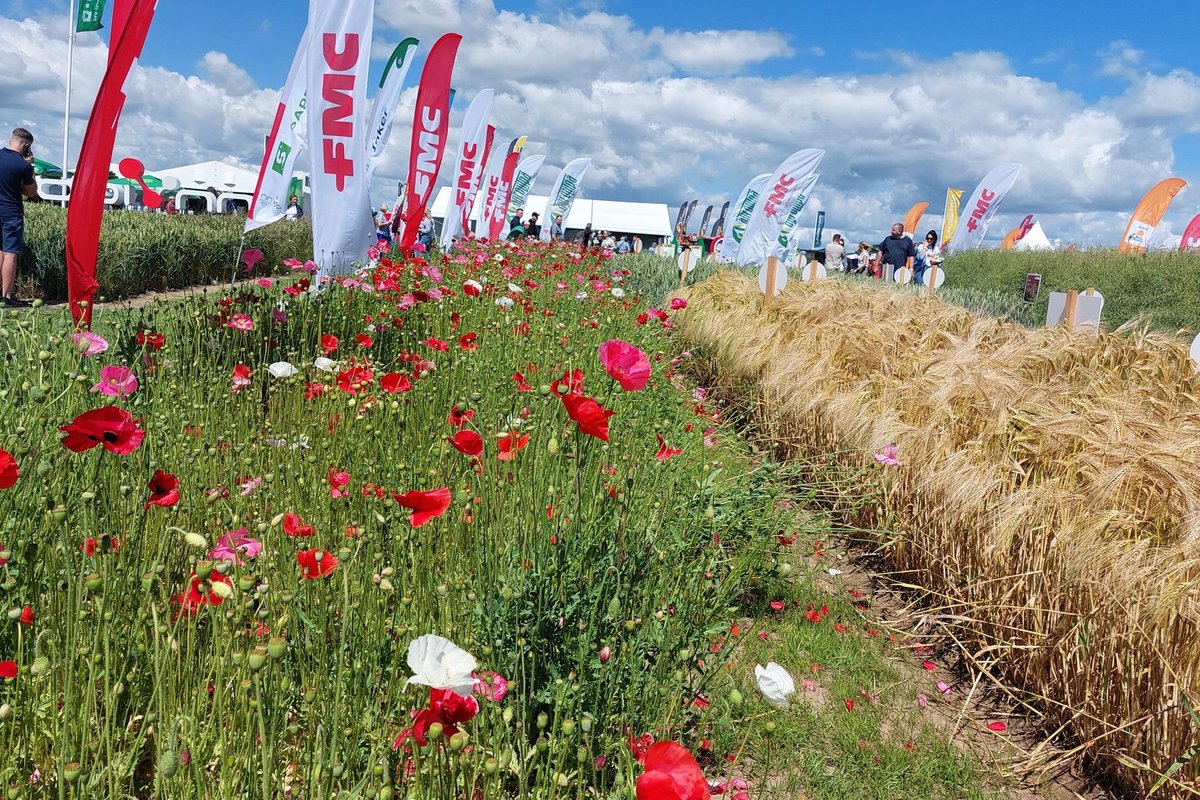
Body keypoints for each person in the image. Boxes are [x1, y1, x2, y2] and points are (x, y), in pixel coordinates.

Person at [1, 128, 40, 307]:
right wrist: (30, 168)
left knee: (0, 251)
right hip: (11, 212)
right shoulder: (23, 166)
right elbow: (32, 193)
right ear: (26, 146)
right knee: (10, 253)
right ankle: (6, 296)